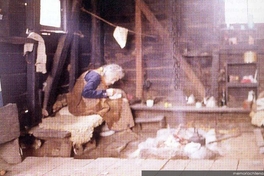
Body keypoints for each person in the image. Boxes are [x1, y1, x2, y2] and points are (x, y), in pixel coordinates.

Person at [67, 64, 134, 135]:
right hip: (80, 105)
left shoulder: (100, 73)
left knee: (120, 93)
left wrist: (107, 93)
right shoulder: (95, 77)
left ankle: (122, 126)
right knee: (120, 102)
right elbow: (86, 93)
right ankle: (113, 127)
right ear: (110, 74)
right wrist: (105, 93)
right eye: (114, 79)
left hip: (86, 101)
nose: (113, 82)